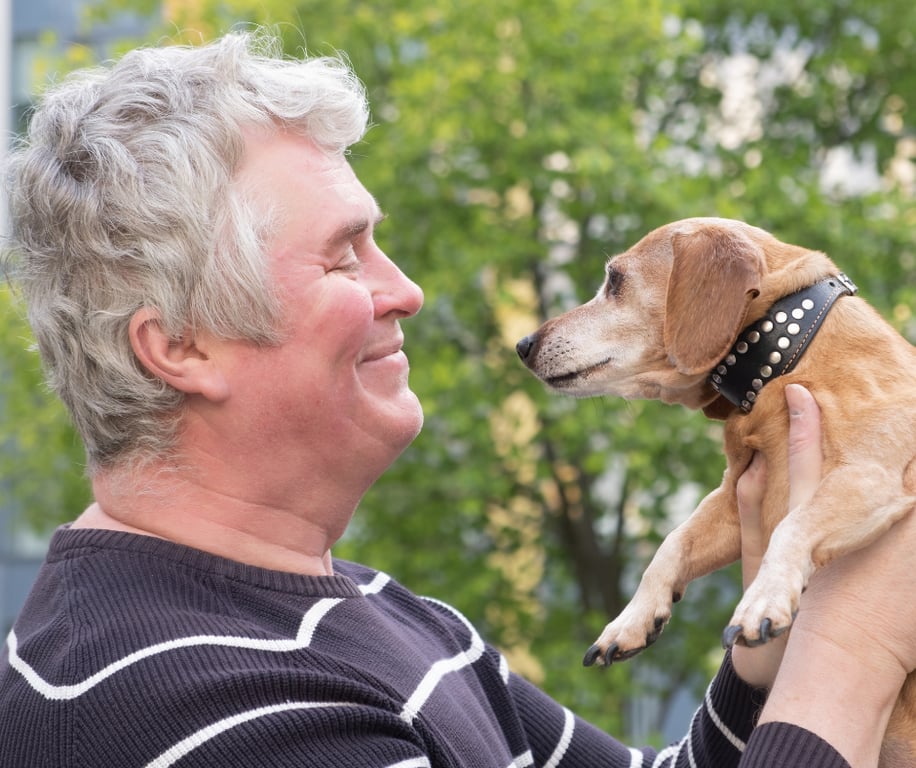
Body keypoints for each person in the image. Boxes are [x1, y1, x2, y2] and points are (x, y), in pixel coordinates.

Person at [0, 29, 913, 768]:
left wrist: (766, 659)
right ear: (179, 346)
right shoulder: (198, 707)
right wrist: (852, 650)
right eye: (344, 254)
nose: (406, 291)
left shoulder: (394, 621)